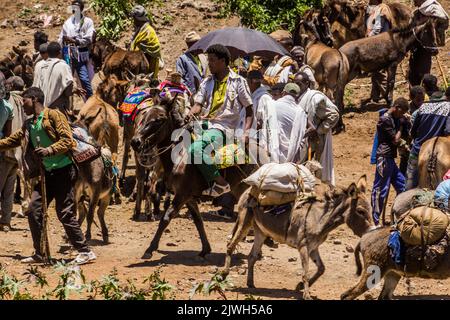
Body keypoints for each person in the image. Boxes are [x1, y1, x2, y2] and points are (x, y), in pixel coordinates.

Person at [0, 87, 96, 264]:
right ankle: (40, 252)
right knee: (34, 210)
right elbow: (14, 140)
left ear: (35, 99)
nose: (22, 104)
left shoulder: (53, 115)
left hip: (65, 171)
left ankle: (85, 251)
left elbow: (68, 140)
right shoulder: (30, 123)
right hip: (46, 174)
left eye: (25, 101)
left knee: (64, 212)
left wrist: (50, 150)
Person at [189, 44, 253, 197]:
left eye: (212, 60)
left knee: (195, 150)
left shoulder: (238, 82)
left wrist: (246, 133)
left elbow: (249, 109)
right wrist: (190, 112)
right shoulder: (207, 82)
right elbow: (198, 105)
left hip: (224, 128)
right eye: (208, 60)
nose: (208, 64)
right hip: (205, 124)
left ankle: (221, 183)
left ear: (223, 61)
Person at [295, 72, 339, 186]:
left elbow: (334, 115)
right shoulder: (299, 97)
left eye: (299, 84)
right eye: (295, 83)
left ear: (307, 83)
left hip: (314, 140)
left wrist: (319, 130)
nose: (296, 86)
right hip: (303, 139)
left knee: (312, 166)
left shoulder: (315, 98)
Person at [371, 98, 409, 225]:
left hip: (390, 159)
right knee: (381, 189)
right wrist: (401, 127)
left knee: (403, 186)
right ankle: (374, 219)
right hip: (384, 157)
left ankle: (398, 215)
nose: (402, 115)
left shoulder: (394, 118)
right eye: (401, 112)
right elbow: (395, 140)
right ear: (397, 107)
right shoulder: (385, 119)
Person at [406, 92, 450, 189]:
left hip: (417, 149)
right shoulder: (448, 107)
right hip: (438, 150)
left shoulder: (422, 107)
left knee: (409, 184)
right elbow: (448, 131)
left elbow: (413, 132)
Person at [58, 0, 95, 99]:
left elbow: (89, 38)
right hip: (68, 55)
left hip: (80, 56)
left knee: (84, 79)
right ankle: (67, 104)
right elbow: (61, 38)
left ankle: (90, 101)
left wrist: (75, 41)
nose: (75, 10)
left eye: (77, 8)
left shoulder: (88, 22)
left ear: (82, 9)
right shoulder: (67, 23)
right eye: (73, 8)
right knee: (66, 80)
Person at [408, 0, 449, 86]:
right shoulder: (416, 13)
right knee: (413, 72)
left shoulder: (433, 10)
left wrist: (431, 22)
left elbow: (444, 21)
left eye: (415, 0)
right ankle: (416, 91)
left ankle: (423, 92)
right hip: (415, 47)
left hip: (427, 47)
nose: (414, 3)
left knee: (423, 71)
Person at [268, 83, 308, 163]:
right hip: (292, 156)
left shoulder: (271, 105)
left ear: (283, 93)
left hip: (271, 154)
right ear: (297, 96)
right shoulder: (300, 112)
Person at [33, 42, 74, 117]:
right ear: (60, 52)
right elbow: (68, 90)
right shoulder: (63, 66)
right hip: (57, 108)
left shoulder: (40, 65)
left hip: (41, 107)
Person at [365, 0, 394, 103]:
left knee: (378, 71)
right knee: (375, 71)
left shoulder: (381, 9)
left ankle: (388, 98)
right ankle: (375, 96)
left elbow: (377, 28)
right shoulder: (379, 8)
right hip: (382, 43)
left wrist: (367, 39)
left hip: (379, 45)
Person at [130, 5, 161, 80]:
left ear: (137, 19)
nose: (133, 20)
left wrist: (140, 47)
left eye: (134, 18)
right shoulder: (141, 30)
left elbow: (155, 47)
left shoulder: (149, 31)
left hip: (148, 65)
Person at [0, 73, 14, 231]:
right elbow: (8, 134)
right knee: (8, 189)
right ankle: (6, 221)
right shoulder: (8, 107)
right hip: (5, 150)